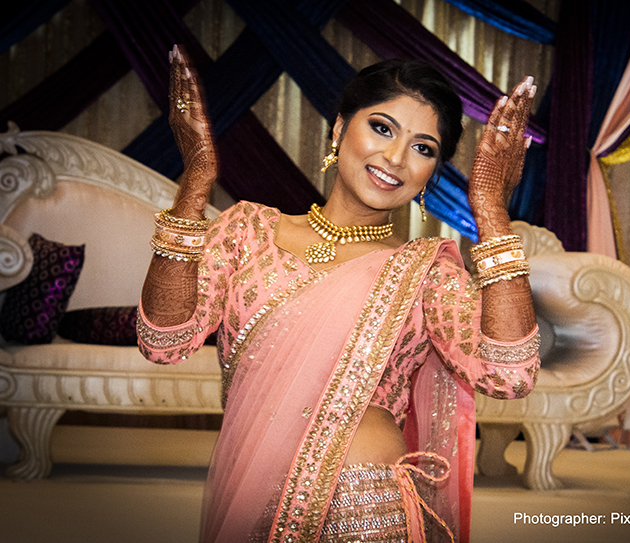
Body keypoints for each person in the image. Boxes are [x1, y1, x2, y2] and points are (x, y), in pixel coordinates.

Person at [138, 45, 540, 543]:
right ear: (338, 128)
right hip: (250, 496)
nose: (395, 157)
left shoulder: (424, 272)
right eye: (382, 127)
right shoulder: (248, 231)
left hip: (366, 506)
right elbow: (163, 340)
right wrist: (193, 188)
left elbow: (509, 374)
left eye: (423, 148)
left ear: (429, 175)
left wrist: (490, 211)